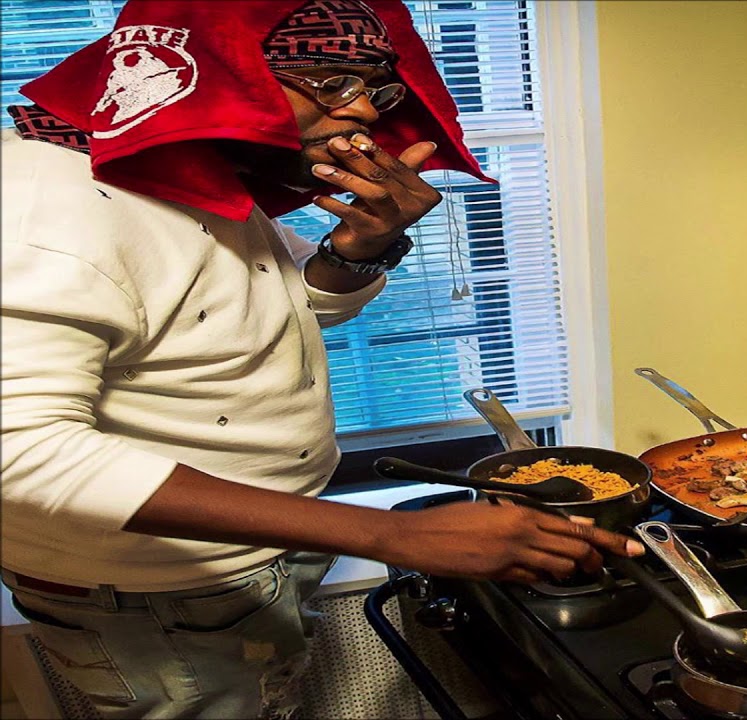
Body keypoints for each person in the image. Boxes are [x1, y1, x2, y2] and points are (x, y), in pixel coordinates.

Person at [0, 1, 643, 717]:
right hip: (155, 589)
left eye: (374, 87)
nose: (363, 109)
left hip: (249, 552)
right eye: (331, 81)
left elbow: (279, 307)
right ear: (211, 72)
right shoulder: (41, 209)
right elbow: (19, 455)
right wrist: (389, 533)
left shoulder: (185, 171)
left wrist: (365, 245)